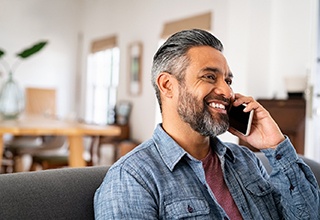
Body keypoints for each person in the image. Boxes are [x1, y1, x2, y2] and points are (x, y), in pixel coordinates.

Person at [94, 29, 319, 219]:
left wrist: (275, 145)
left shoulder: (246, 161)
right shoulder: (132, 179)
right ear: (167, 85)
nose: (227, 91)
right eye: (210, 77)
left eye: (228, 80)